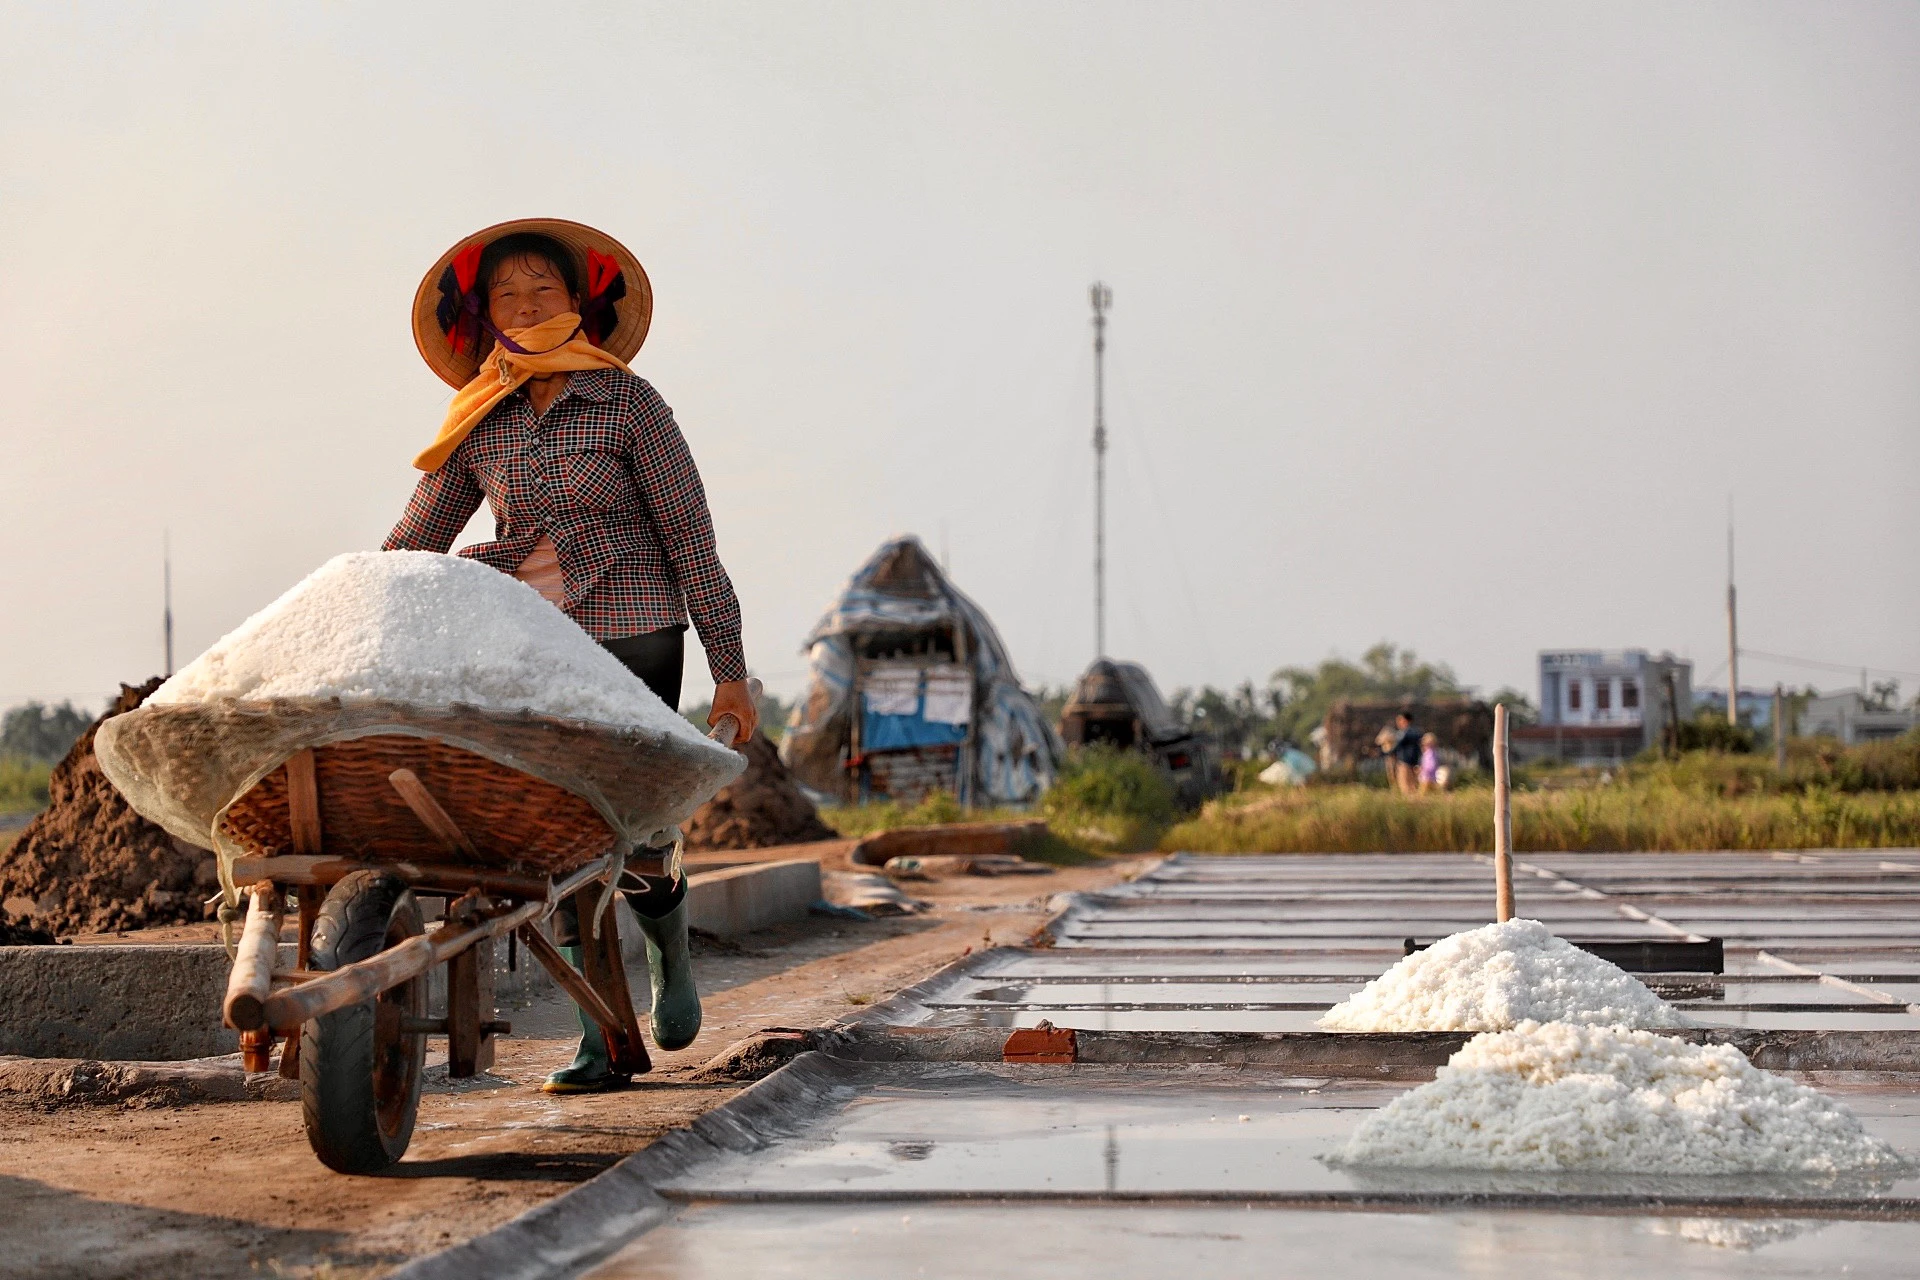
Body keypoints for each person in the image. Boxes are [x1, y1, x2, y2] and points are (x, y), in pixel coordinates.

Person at [385, 219, 758, 1093]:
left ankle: (668, 943)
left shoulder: (632, 405)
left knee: (630, 828)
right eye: (507, 297)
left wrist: (729, 667)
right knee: (555, 839)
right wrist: (360, 602)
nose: (525, 307)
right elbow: (418, 537)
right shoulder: (481, 418)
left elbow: (691, 542)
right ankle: (597, 1037)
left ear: (579, 306)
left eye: (542, 293)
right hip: (532, 636)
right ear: (485, 317)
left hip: (636, 624)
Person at [1390, 712, 1423, 795]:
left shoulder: (1403, 733)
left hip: (1404, 763)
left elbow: (1395, 747)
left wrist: (1384, 752)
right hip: (1414, 763)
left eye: (1399, 720)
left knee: (1405, 786)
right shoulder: (1417, 733)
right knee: (1414, 786)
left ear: (1405, 720)